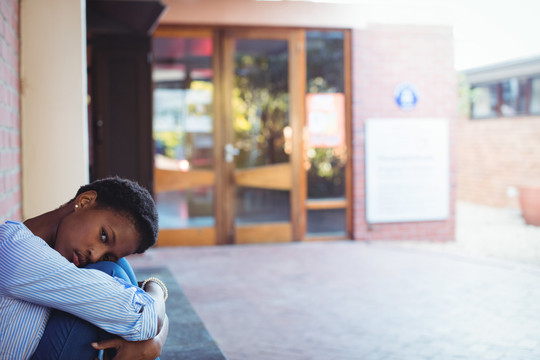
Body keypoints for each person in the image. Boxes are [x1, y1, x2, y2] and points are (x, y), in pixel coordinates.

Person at [0, 177, 169, 360]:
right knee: (112, 271)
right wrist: (155, 340)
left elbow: (146, 313)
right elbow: (144, 316)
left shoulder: (60, 264)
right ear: (85, 201)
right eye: (104, 236)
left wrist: (155, 287)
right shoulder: (16, 249)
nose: (95, 255)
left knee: (117, 266)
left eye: (107, 254)